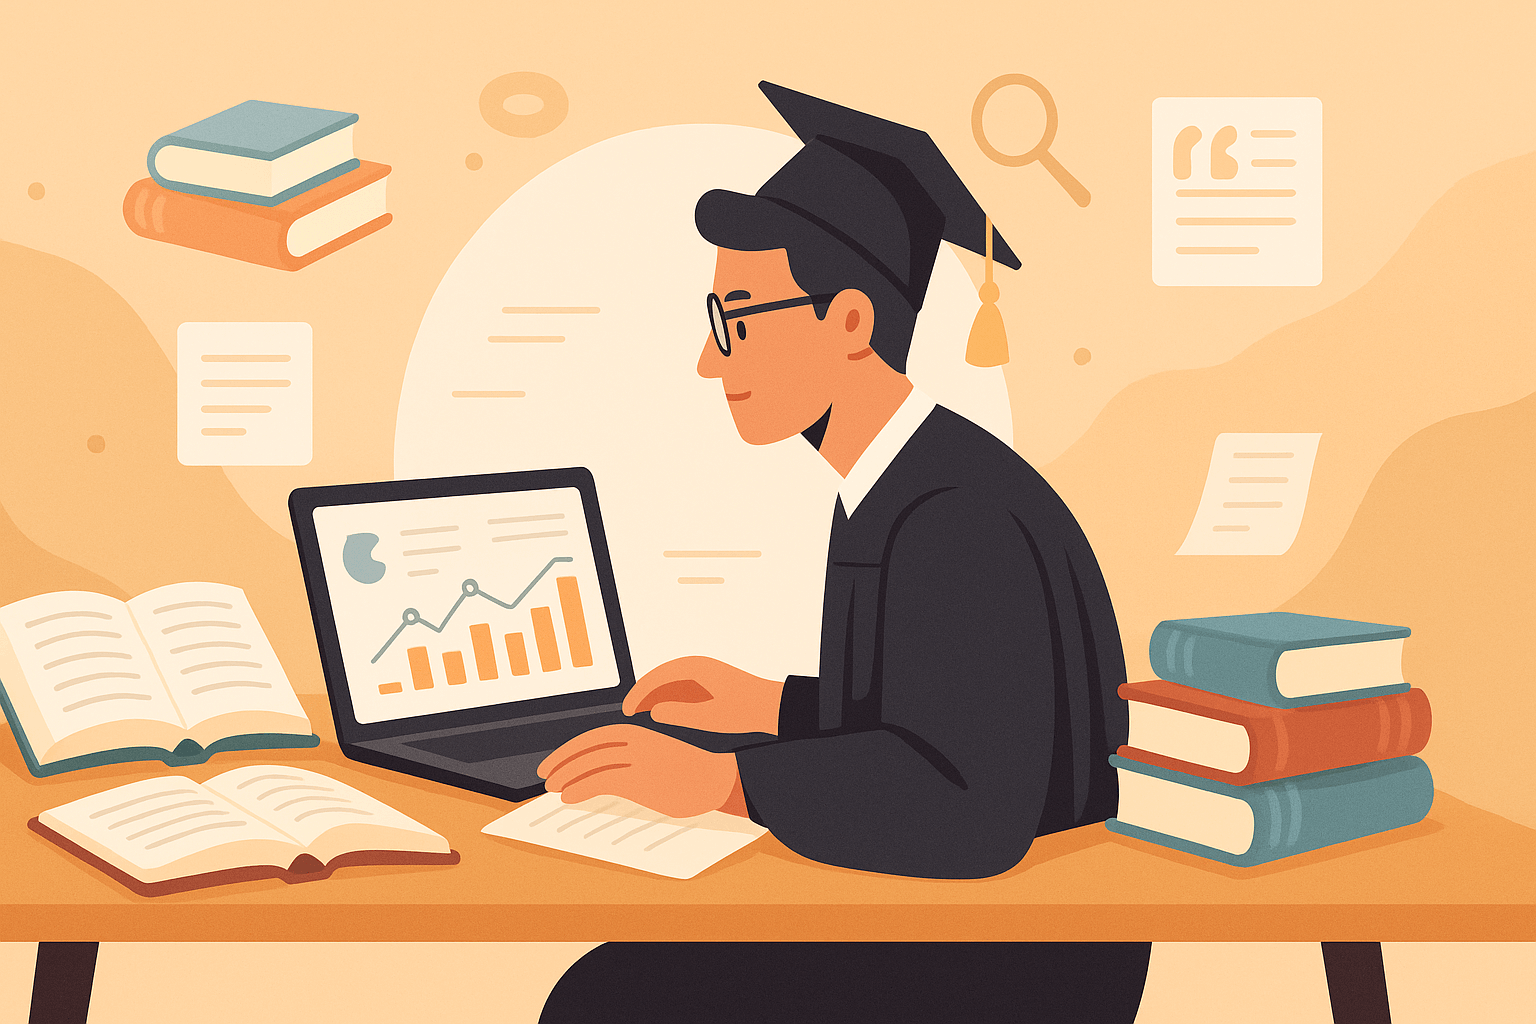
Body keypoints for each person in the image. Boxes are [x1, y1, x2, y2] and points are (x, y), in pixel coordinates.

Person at [537, 82, 1148, 1022]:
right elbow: (939, 710)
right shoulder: (898, 479)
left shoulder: (959, 517)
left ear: (851, 323)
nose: (711, 359)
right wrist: (773, 705)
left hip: (1016, 964)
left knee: (610, 1003)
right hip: (956, 927)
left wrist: (726, 781)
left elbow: (972, 807)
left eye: (738, 319)